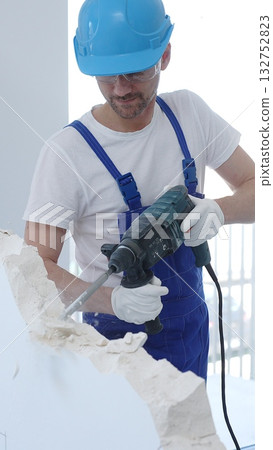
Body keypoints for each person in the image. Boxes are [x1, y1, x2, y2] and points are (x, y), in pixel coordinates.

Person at [24, 0, 254, 380]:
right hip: (112, 344)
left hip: (190, 331)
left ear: (164, 55)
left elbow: (259, 189)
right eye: (106, 76)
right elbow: (35, 267)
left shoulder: (190, 114)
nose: (120, 89)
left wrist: (219, 210)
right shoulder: (65, 155)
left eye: (134, 72)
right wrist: (112, 299)